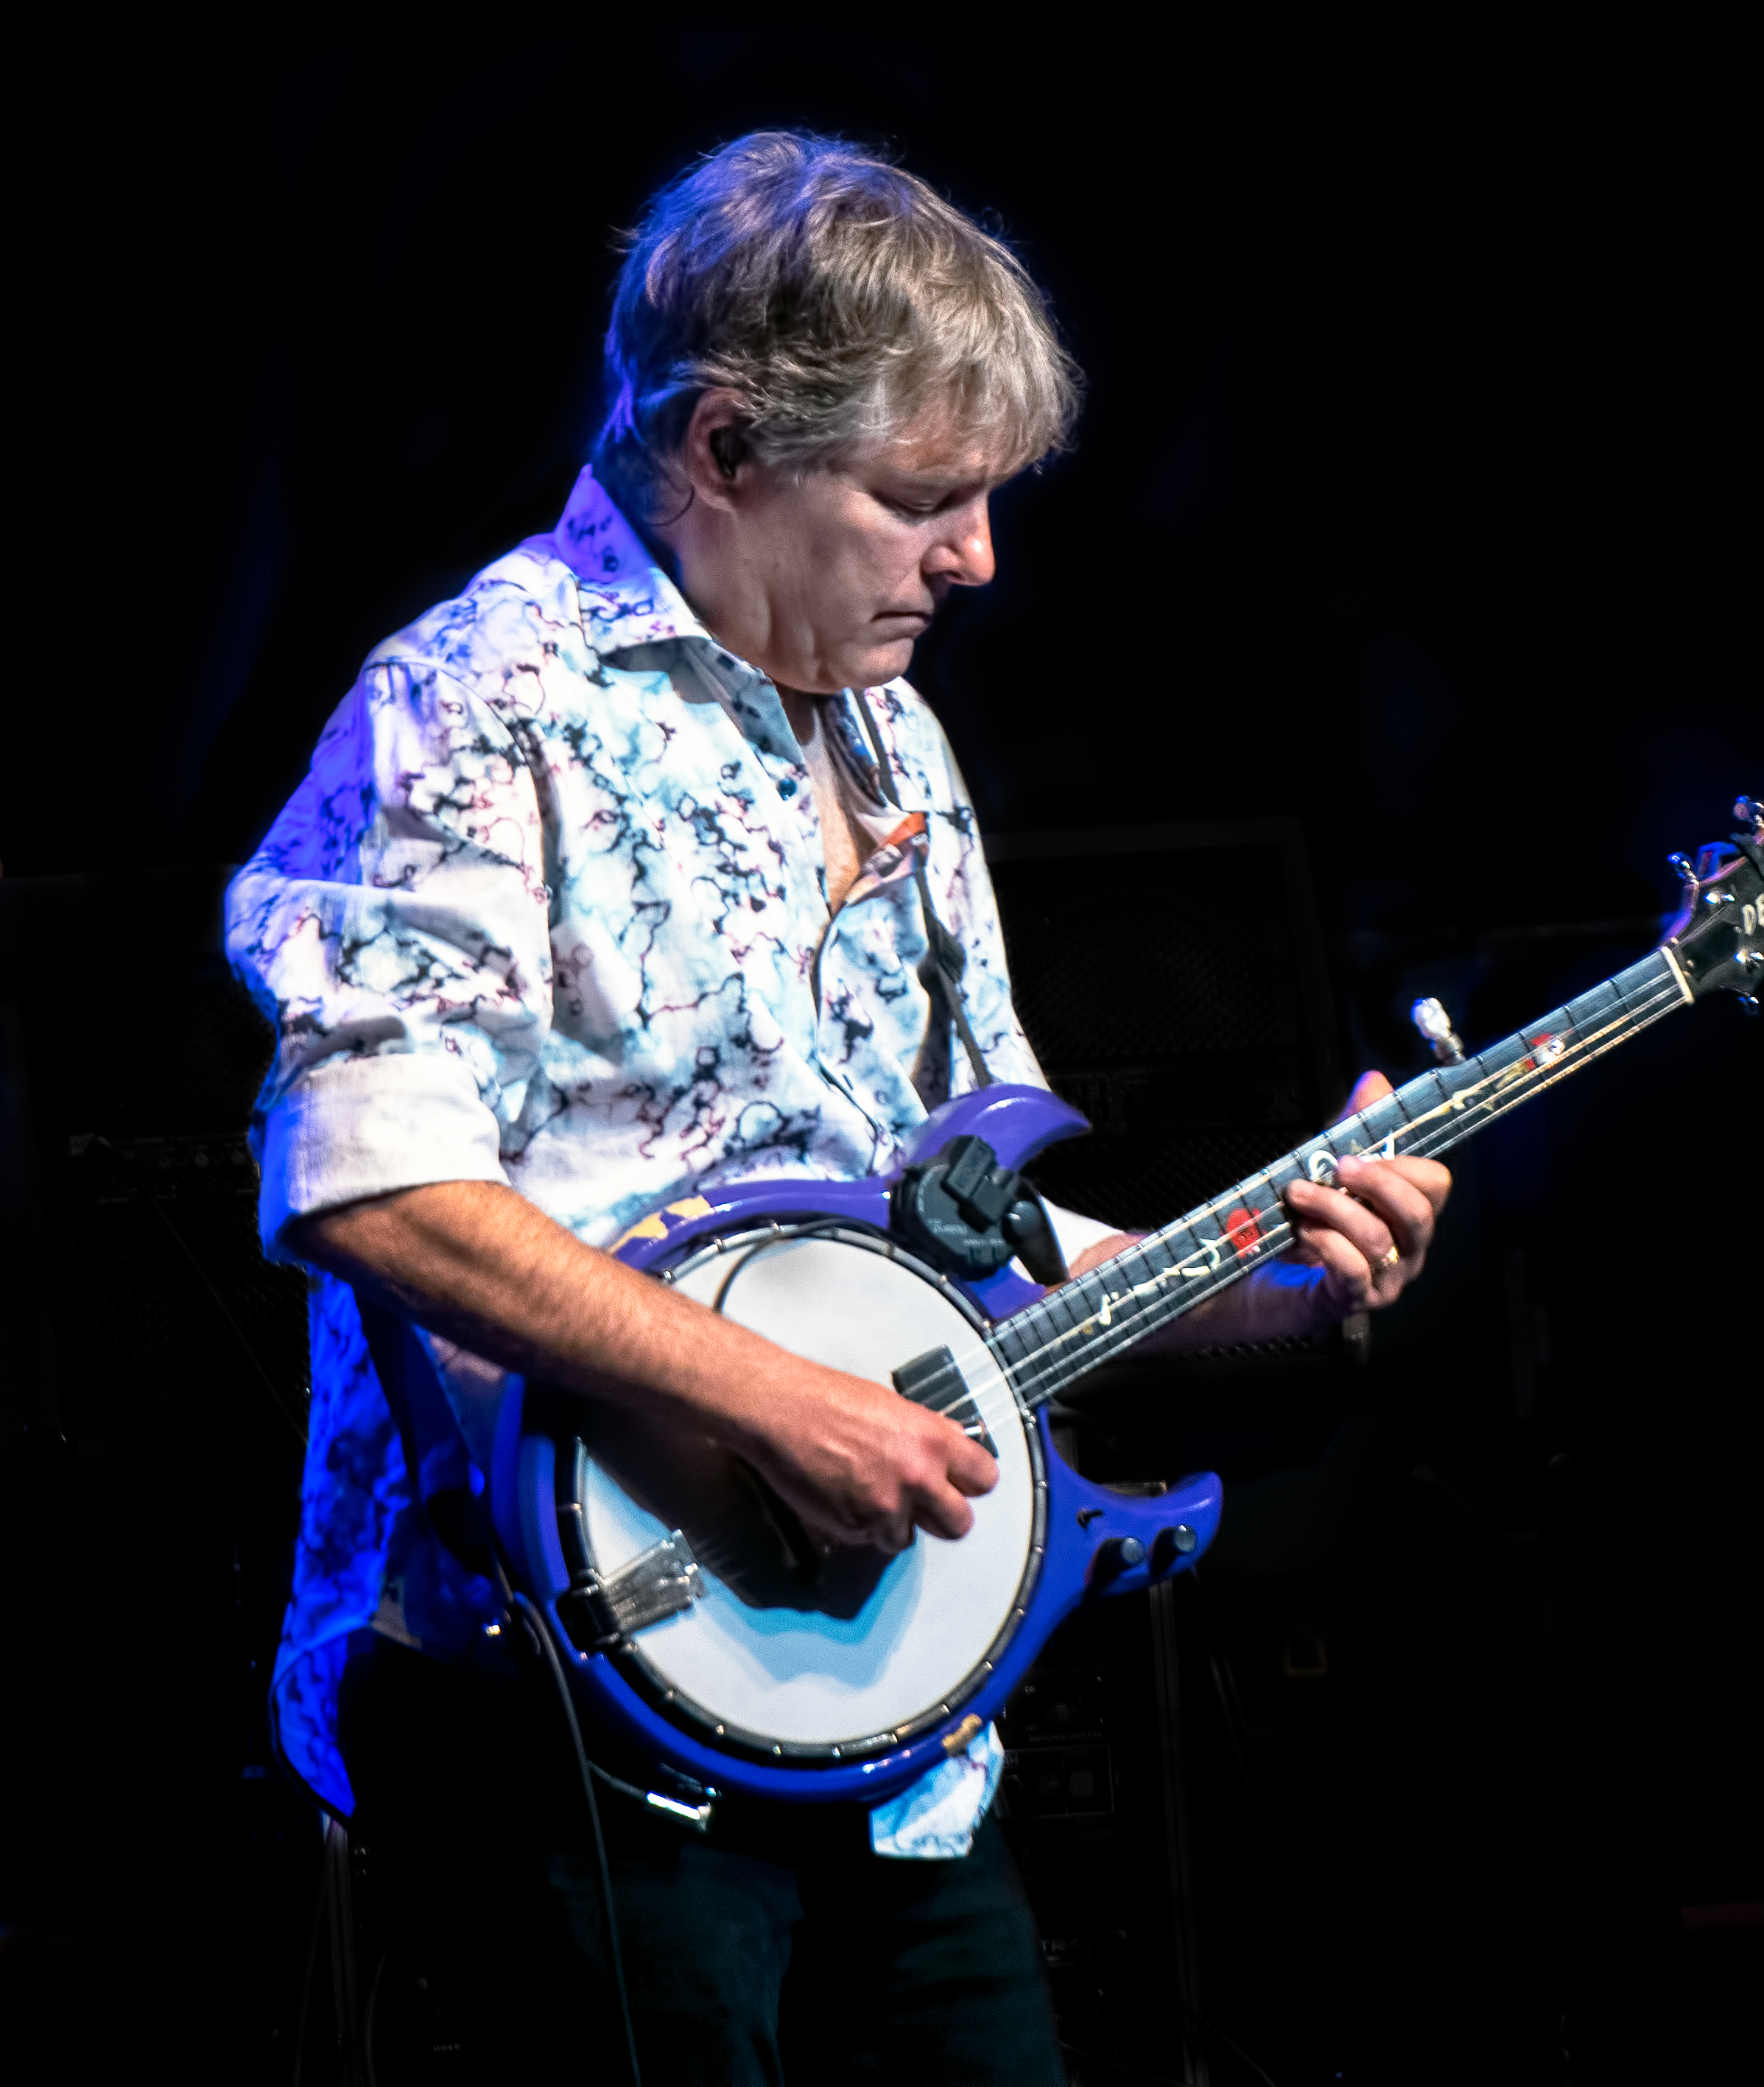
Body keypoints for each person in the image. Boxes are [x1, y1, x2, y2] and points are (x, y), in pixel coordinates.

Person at [227, 130, 1450, 2086]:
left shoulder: (897, 737)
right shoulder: (474, 702)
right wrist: (770, 1401)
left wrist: (1286, 1285)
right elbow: (366, 1181)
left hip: (887, 1728)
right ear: (722, 450)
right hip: (564, 1707)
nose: (976, 556)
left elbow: (979, 1235)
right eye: (919, 499)